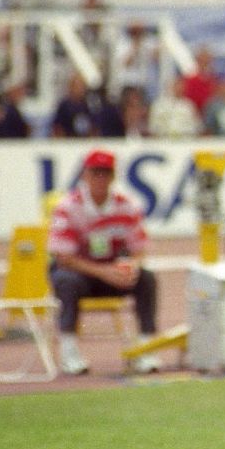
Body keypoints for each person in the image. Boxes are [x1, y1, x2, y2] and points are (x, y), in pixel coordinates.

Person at [46, 150, 162, 375]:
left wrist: (131, 267)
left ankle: (146, 348)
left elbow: (140, 248)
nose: (100, 179)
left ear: (113, 176)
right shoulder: (68, 208)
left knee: (146, 279)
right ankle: (69, 352)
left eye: (105, 173)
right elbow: (63, 258)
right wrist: (103, 272)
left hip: (112, 272)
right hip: (80, 272)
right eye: (95, 173)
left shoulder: (126, 206)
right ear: (85, 175)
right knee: (66, 281)